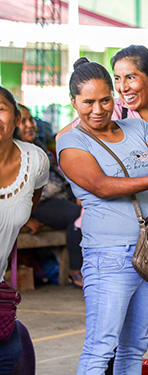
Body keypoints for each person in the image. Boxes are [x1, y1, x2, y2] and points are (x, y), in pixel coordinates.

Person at [56, 57, 148, 375]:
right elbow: (101, 186)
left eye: (105, 99)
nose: (98, 109)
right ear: (74, 102)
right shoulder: (71, 143)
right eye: (88, 102)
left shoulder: (138, 128)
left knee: (134, 348)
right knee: (100, 348)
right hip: (108, 256)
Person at [0, 86, 48, 375]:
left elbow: (32, 198)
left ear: (17, 118)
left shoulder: (34, 160)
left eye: (0, 108)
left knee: (11, 340)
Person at [17, 104, 83, 285]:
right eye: (24, 121)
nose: (30, 125)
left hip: (60, 197)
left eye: (31, 120)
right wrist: (25, 217)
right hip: (41, 204)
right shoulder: (13, 152)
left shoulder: (37, 145)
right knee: (80, 216)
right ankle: (75, 271)